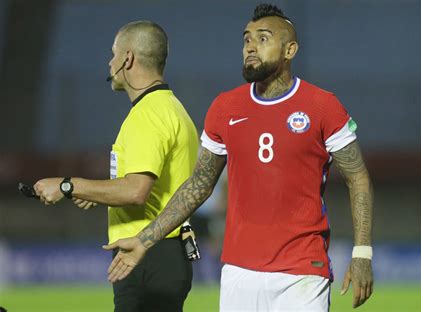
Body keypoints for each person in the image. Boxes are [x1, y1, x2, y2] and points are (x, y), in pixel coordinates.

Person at [105, 4, 374, 311]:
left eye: (262, 38)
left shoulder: (323, 106)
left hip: (302, 272)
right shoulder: (225, 108)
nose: (250, 46)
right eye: (246, 39)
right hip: (238, 274)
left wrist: (362, 253)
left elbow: (358, 178)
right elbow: (198, 186)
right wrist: (144, 240)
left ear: (290, 49)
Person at [33, 21, 198, 312]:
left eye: (113, 54)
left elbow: (136, 190)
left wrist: (66, 185)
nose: (109, 62)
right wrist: (94, 193)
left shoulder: (147, 115)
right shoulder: (172, 108)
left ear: (127, 58)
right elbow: (153, 188)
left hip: (147, 255)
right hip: (167, 253)